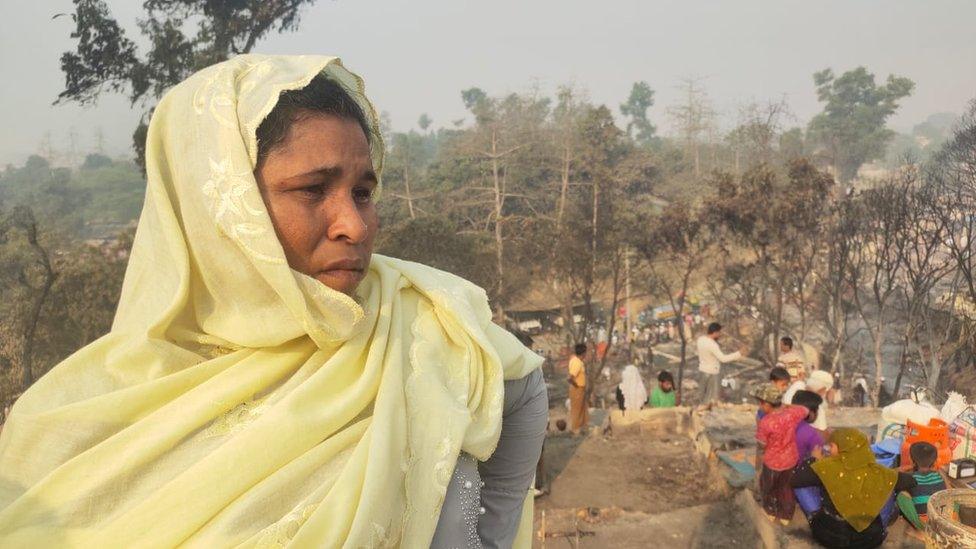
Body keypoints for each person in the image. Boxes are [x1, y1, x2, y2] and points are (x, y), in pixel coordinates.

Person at [0, 56, 548, 548]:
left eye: (363, 191)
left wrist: (488, 538)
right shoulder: (72, 425)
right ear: (221, 211)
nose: (355, 226)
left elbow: (524, 390)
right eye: (313, 190)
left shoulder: (420, 322)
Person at [791, 429, 916, 548]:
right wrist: (890, 475)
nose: (828, 449)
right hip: (870, 540)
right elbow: (911, 482)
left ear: (842, 448)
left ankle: (814, 517)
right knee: (889, 486)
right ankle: (881, 525)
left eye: (832, 446)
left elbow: (795, 480)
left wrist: (814, 459)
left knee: (802, 485)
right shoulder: (879, 472)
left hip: (827, 537)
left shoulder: (824, 468)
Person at [754, 383, 809, 525]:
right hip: (790, 459)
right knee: (786, 487)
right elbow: (805, 410)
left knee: (769, 487)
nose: (760, 407)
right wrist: (787, 406)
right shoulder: (792, 414)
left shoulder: (765, 422)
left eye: (760, 403)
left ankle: (771, 511)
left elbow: (762, 445)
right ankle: (786, 515)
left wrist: (758, 461)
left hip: (772, 463)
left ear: (767, 404)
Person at [896, 442, 947, 529]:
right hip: (943, 522)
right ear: (935, 461)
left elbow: (889, 475)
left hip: (925, 525)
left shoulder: (909, 477)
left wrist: (901, 469)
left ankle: (920, 531)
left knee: (901, 495)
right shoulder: (940, 475)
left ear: (911, 460)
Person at [697, 322, 743, 406]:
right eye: (719, 332)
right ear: (715, 333)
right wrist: (738, 354)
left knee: (703, 394)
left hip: (702, 370)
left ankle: (701, 409)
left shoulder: (700, 339)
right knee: (712, 397)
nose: (720, 334)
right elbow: (723, 359)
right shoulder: (712, 344)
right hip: (712, 372)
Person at [567, 343, 589, 434]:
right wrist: (576, 385)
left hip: (580, 388)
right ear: (583, 353)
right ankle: (575, 429)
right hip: (577, 388)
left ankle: (582, 427)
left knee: (582, 409)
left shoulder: (577, 361)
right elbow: (570, 377)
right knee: (577, 409)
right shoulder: (576, 362)